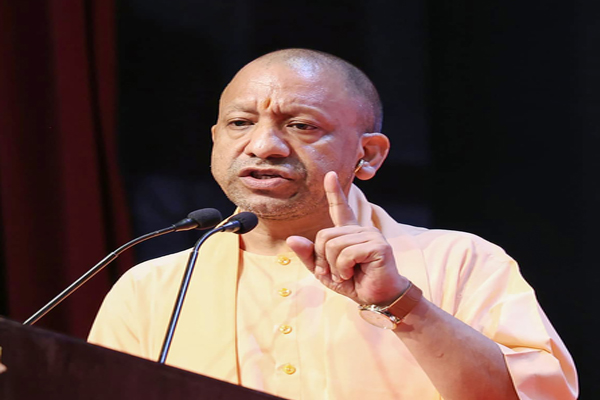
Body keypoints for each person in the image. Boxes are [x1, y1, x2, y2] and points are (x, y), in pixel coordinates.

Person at [89, 48, 578, 399]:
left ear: (368, 155)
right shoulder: (151, 289)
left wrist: (402, 303)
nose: (263, 146)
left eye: (301, 126)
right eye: (241, 123)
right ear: (215, 138)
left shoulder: (461, 260)